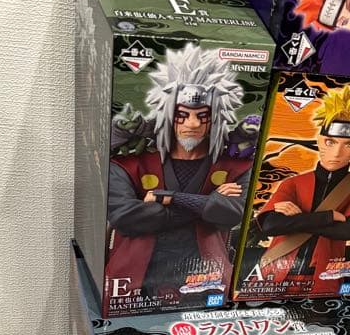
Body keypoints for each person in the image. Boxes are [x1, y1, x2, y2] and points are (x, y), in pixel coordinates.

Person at [107, 43, 252, 302]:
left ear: (216, 117)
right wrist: (207, 205)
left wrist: (168, 197)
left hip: (207, 283)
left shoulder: (236, 166)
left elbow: (232, 214)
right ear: (166, 115)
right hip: (134, 284)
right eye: (182, 115)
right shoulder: (130, 163)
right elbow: (125, 216)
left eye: (202, 115)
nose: (192, 124)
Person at [242, 84, 350, 289]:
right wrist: (328, 217)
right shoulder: (293, 183)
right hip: (274, 270)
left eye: (349, 144)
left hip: (324, 276)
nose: (337, 153)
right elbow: (271, 225)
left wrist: (298, 218)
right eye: (330, 142)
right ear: (319, 140)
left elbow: (348, 230)